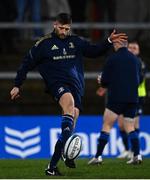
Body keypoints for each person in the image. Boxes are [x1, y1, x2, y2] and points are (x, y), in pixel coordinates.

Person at [10, 13, 127, 176]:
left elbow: (93, 51)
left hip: (76, 86)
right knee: (69, 104)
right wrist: (17, 85)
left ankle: (54, 164)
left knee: (72, 119)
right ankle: (56, 161)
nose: (64, 31)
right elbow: (26, 64)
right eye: (61, 28)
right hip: (57, 85)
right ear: (54, 25)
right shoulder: (43, 44)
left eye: (67, 29)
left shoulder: (76, 42)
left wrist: (108, 41)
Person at [88, 40, 142, 166]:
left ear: (117, 45)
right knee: (130, 127)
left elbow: (105, 81)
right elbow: (139, 80)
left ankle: (98, 157)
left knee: (106, 126)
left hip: (116, 98)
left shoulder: (112, 59)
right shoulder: (136, 60)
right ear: (126, 45)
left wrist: (101, 80)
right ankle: (137, 155)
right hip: (132, 99)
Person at [117, 41, 147, 162]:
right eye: (130, 47)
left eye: (135, 48)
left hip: (137, 97)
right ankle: (126, 150)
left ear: (138, 51)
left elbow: (139, 79)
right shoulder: (121, 62)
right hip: (122, 95)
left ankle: (134, 151)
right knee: (120, 124)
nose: (132, 49)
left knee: (134, 124)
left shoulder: (140, 63)